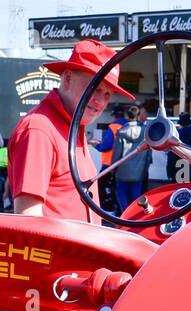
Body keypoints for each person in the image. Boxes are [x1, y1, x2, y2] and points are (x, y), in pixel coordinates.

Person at [8, 38, 133, 223]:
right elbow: (28, 219)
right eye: (95, 88)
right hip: (59, 252)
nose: (100, 101)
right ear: (67, 78)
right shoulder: (39, 129)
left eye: (107, 94)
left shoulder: (75, 127)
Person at [112, 104, 149, 211]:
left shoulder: (122, 131)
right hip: (139, 170)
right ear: (138, 115)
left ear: (128, 116)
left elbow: (116, 153)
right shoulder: (145, 131)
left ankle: (125, 213)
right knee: (136, 196)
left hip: (122, 170)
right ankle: (134, 216)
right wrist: (146, 168)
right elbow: (148, 153)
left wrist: (113, 170)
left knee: (121, 193)